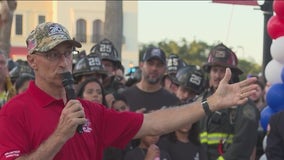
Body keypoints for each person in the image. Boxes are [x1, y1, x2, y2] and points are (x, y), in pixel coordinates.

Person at [0, 22, 257, 160]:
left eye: (67, 53)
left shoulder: (88, 110)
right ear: (32, 60)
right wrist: (60, 135)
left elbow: (152, 123)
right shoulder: (14, 112)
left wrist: (209, 103)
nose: (63, 62)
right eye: (52, 55)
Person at [199, 43, 260, 160]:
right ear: (209, 72)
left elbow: (244, 143)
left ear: (232, 75)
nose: (217, 75)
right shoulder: (201, 101)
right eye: (214, 70)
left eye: (222, 71)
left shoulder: (244, 104)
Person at [158, 65, 207, 160]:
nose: (186, 96)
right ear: (175, 88)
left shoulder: (200, 116)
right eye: (184, 90)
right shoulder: (162, 109)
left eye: (192, 93)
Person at [120, 47, 180, 112]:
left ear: (164, 69)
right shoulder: (124, 97)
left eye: (159, 65)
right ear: (141, 65)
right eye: (150, 63)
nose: (154, 68)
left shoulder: (173, 101)